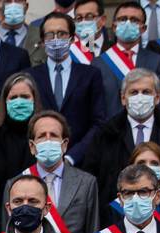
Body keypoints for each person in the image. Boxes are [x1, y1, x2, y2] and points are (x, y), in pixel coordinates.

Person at [81, 68, 160, 222]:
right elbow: (92, 181)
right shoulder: (105, 135)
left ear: (157, 98)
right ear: (123, 98)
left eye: (146, 92)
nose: (140, 97)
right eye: (134, 92)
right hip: (115, 221)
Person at [24, 11, 107, 163]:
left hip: (81, 161)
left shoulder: (90, 75)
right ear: (42, 41)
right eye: (50, 35)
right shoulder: (29, 76)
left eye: (62, 34)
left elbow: (98, 123)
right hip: (39, 159)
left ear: (72, 38)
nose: (56, 39)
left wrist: (73, 155)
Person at [10, 110, 101, 233]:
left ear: (64, 145)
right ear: (32, 146)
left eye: (53, 136)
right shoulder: (13, 184)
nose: (48, 140)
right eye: (41, 136)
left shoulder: (86, 183)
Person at [93, 2, 160, 110]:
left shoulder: (157, 62)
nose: (127, 23)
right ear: (113, 27)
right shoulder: (98, 63)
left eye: (134, 20)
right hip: (110, 126)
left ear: (143, 28)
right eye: (122, 19)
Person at [0, 74, 46, 188]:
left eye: (24, 96)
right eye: (13, 97)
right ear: (5, 102)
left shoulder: (46, 139)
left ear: (35, 100)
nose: (19, 102)